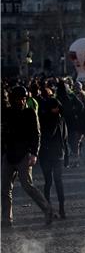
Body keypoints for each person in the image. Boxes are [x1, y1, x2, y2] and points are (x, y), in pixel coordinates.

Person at [1, 86, 53, 226]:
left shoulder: (30, 113)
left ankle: (47, 209)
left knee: (27, 186)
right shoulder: (7, 112)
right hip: (9, 154)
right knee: (5, 189)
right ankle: (7, 219)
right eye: (19, 99)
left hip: (24, 154)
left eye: (24, 99)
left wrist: (34, 153)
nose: (21, 101)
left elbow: (36, 134)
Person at [37, 97, 69, 219]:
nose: (56, 109)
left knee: (54, 181)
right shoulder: (51, 119)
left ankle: (60, 208)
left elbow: (64, 138)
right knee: (50, 182)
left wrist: (66, 155)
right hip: (50, 154)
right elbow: (48, 136)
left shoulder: (59, 119)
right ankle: (50, 209)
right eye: (54, 107)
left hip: (55, 155)